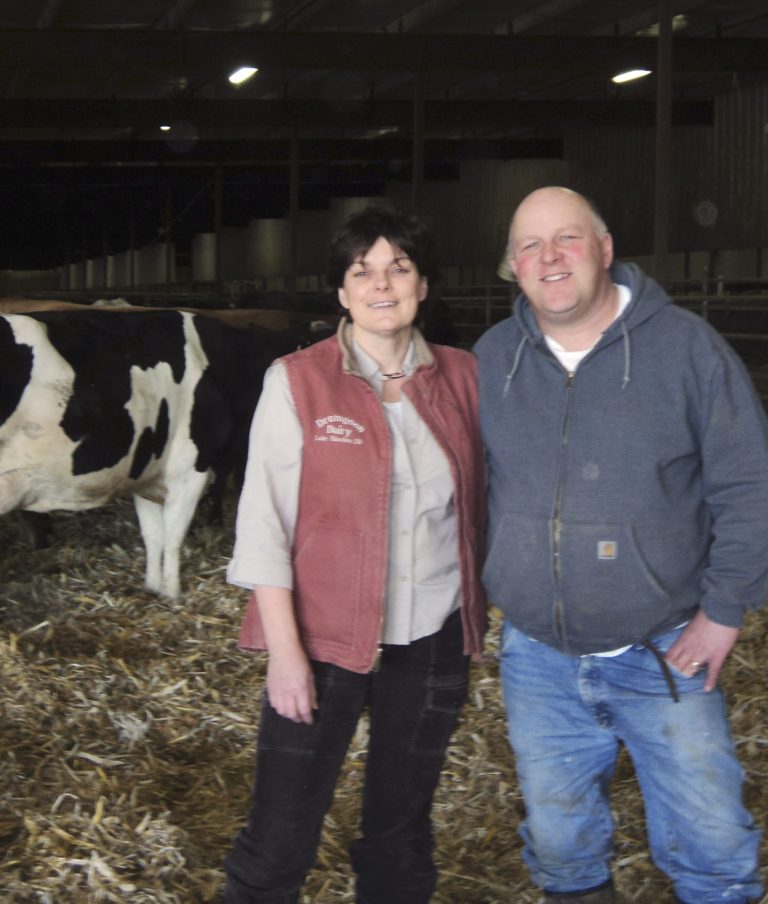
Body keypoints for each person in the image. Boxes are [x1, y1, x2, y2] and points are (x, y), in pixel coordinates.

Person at [474, 186, 768, 904]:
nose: (549, 258)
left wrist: (725, 610)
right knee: (560, 844)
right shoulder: (492, 358)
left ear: (605, 249)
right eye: (529, 247)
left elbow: (749, 482)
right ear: (512, 267)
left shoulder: (687, 349)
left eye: (566, 239)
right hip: (538, 654)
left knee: (713, 841)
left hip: (664, 648)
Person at [223, 203, 487, 904]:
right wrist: (286, 657)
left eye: (399, 267)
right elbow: (263, 527)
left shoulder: (466, 378)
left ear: (423, 284)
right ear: (340, 292)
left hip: (431, 642)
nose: (382, 284)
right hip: (322, 644)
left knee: (399, 836)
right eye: (361, 270)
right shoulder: (298, 381)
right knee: (279, 837)